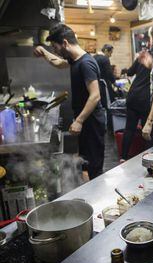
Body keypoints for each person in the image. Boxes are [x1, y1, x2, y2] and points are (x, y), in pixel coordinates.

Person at [34, 24, 105, 180]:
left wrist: (79, 121)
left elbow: (95, 95)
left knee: (94, 167)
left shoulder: (86, 63)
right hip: (86, 120)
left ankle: (98, 199)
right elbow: (59, 63)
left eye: (55, 47)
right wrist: (44, 51)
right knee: (86, 163)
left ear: (65, 43)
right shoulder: (75, 60)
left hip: (92, 122)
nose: (55, 50)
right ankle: (89, 195)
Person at [120, 52, 151, 162]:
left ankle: (123, 157)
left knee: (129, 128)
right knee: (146, 129)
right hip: (146, 98)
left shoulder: (142, 57)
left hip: (133, 95)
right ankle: (147, 157)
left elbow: (130, 72)